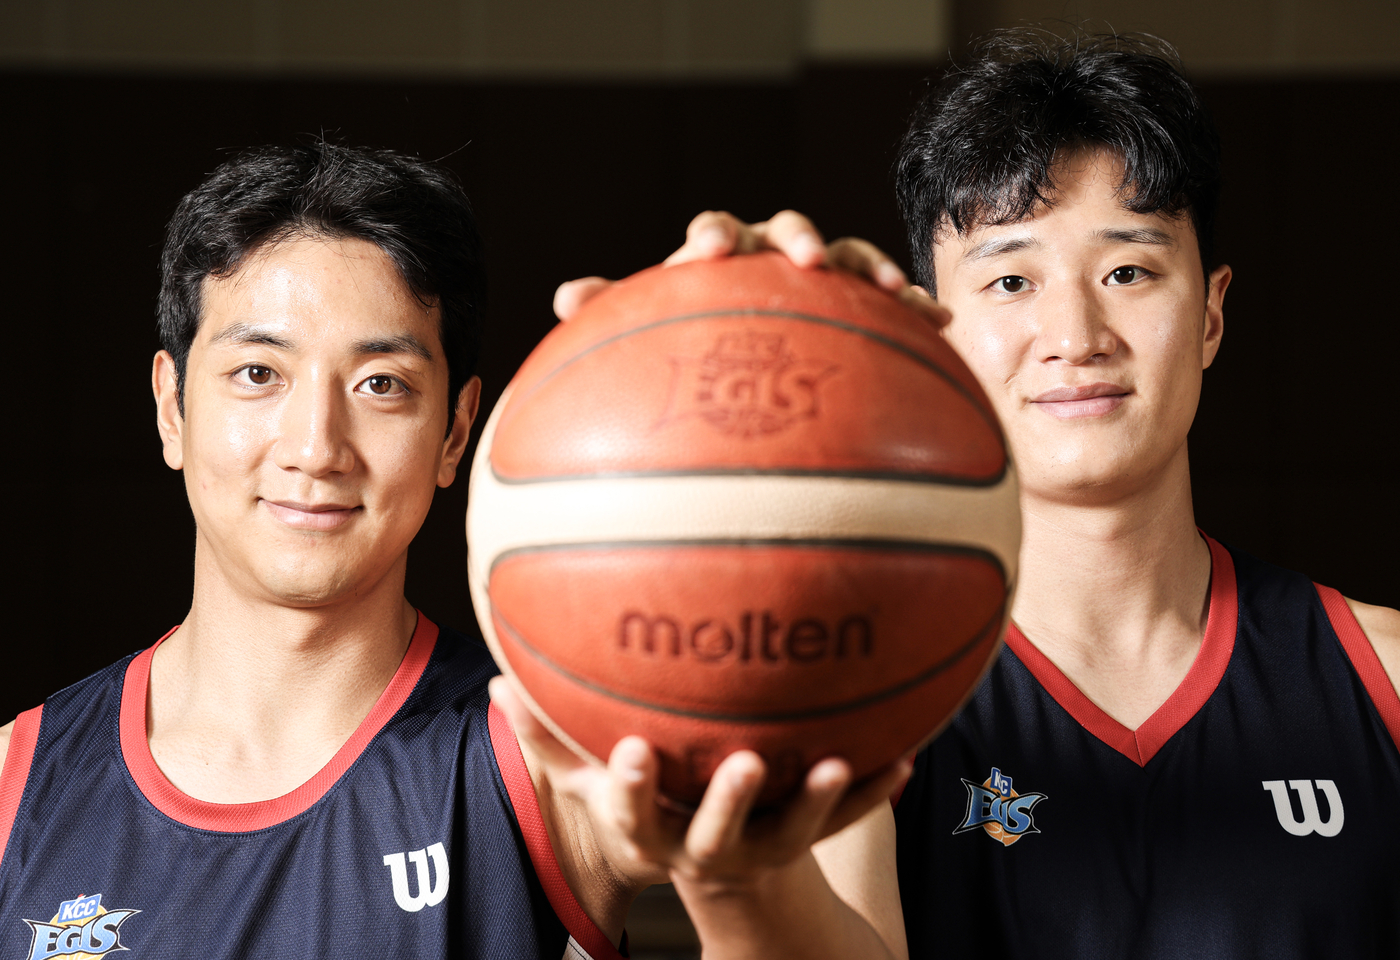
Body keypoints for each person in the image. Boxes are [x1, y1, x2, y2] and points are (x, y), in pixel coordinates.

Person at [551, 29, 1400, 959]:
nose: (1074, 334)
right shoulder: (860, 694)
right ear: (938, 335)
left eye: (1128, 271)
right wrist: (735, 878)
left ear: (1211, 312)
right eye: (1011, 280)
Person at [0, 141, 901, 960]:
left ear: (455, 432)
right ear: (172, 407)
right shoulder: (15, 783)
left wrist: (759, 346)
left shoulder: (550, 751)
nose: (316, 445)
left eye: (381, 384)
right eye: (258, 374)